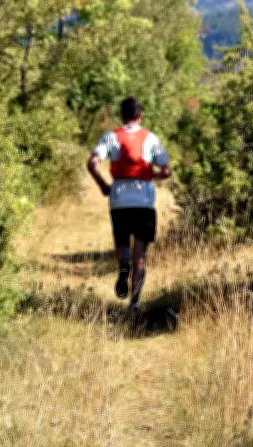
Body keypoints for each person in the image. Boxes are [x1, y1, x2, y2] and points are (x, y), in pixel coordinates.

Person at [87, 97, 172, 309]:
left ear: (122, 115)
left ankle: (123, 264)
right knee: (140, 254)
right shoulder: (151, 138)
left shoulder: (111, 137)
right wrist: (149, 174)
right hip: (144, 201)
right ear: (140, 116)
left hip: (119, 199)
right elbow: (167, 171)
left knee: (122, 243)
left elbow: (92, 163)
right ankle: (134, 302)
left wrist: (103, 186)